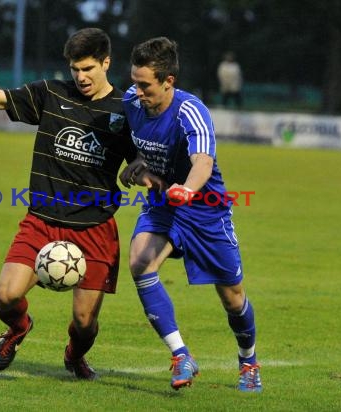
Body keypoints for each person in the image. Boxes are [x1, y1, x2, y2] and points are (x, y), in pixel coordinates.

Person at [0, 28, 137, 379]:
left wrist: (141, 170)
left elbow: (140, 159)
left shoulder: (125, 111)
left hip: (95, 227)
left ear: (106, 63)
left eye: (88, 68)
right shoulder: (51, 93)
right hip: (42, 220)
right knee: (6, 297)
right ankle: (19, 327)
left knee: (85, 324)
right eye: (75, 69)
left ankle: (74, 354)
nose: (80, 77)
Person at [120, 37, 262, 392]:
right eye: (134, 81)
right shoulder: (130, 101)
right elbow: (127, 144)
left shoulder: (190, 110)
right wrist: (136, 167)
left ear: (169, 81)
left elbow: (203, 161)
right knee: (140, 262)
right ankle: (180, 355)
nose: (137, 91)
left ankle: (248, 361)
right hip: (163, 205)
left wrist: (188, 187)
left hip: (206, 212)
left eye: (145, 85)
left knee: (232, 296)